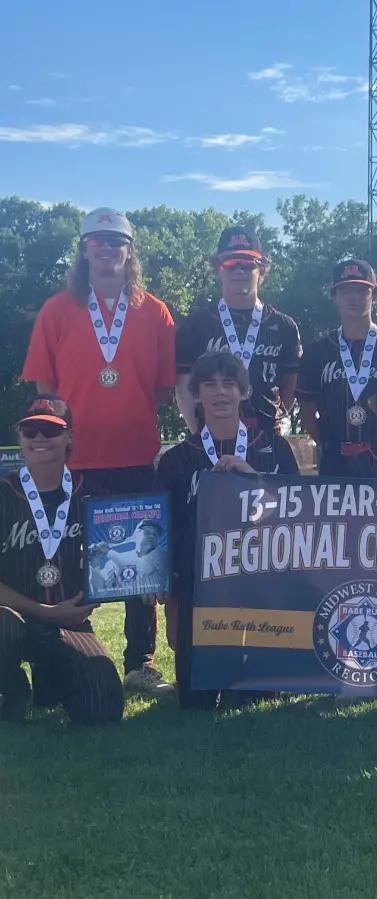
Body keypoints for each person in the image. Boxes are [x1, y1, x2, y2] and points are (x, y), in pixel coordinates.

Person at [21, 207, 176, 696]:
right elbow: (46, 389)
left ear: (129, 251)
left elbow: (162, 390)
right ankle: (64, 656)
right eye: (96, 241)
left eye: (115, 241)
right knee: (66, 562)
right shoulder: (56, 309)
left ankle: (140, 664)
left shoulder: (155, 311)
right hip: (76, 461)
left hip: (133, 457)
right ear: (83, 249)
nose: (106, 249)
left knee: (141, 563)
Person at [153, 351, 299, 709]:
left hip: (260, 585)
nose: (220, 393)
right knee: (197, 701)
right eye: (210, 385)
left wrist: (254, 479)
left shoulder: (273, 448)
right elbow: (159, 530)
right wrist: (164, 588)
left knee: (256, 696)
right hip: (198, 589)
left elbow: (299, 513)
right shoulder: (176, 460)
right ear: (196, 395)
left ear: (244, 393)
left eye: (229, 384)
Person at [0, 395, 123, 725]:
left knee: (103, 710)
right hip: (15, 616)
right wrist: (45, 612)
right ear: (20, 438)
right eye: (31, 430)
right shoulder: (2, 493)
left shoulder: (90, 493)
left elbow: (114, 555)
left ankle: (51, 677)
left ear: (69, 437)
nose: (40, 438)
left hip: (70, 620)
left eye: (50, 430)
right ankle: (11, 689)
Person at [297, 259, 377, 477]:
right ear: (334, 297)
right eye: (345, 290)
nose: (353, 297)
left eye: (362, 291)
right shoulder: (318, 352)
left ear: (374, 297)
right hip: (335, 463)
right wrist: (331, 444)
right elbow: (307, 414)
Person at [174, 226, 302, 435]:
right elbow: (183, 387)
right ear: (218, 269)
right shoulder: (195, 326)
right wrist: (199, 434)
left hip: (268, 439)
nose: (239, 270)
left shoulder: (284, 326)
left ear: (261, 269)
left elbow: (290, 386)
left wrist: (276, 423)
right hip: (212, 438)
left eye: (247, 263)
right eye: (230, 263)